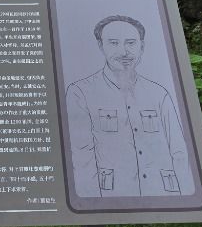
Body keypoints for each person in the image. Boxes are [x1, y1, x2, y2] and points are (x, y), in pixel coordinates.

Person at [64, 15, 190, 198]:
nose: (124, 52)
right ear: (101, 46)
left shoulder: (158, 93)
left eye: (131, 43)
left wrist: (183, 195)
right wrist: (91, 202)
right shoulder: (81, 92)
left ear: (142, 46)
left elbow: (179, 150)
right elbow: (82, 157)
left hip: (160, 192)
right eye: (114, 43)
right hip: (111, 195)